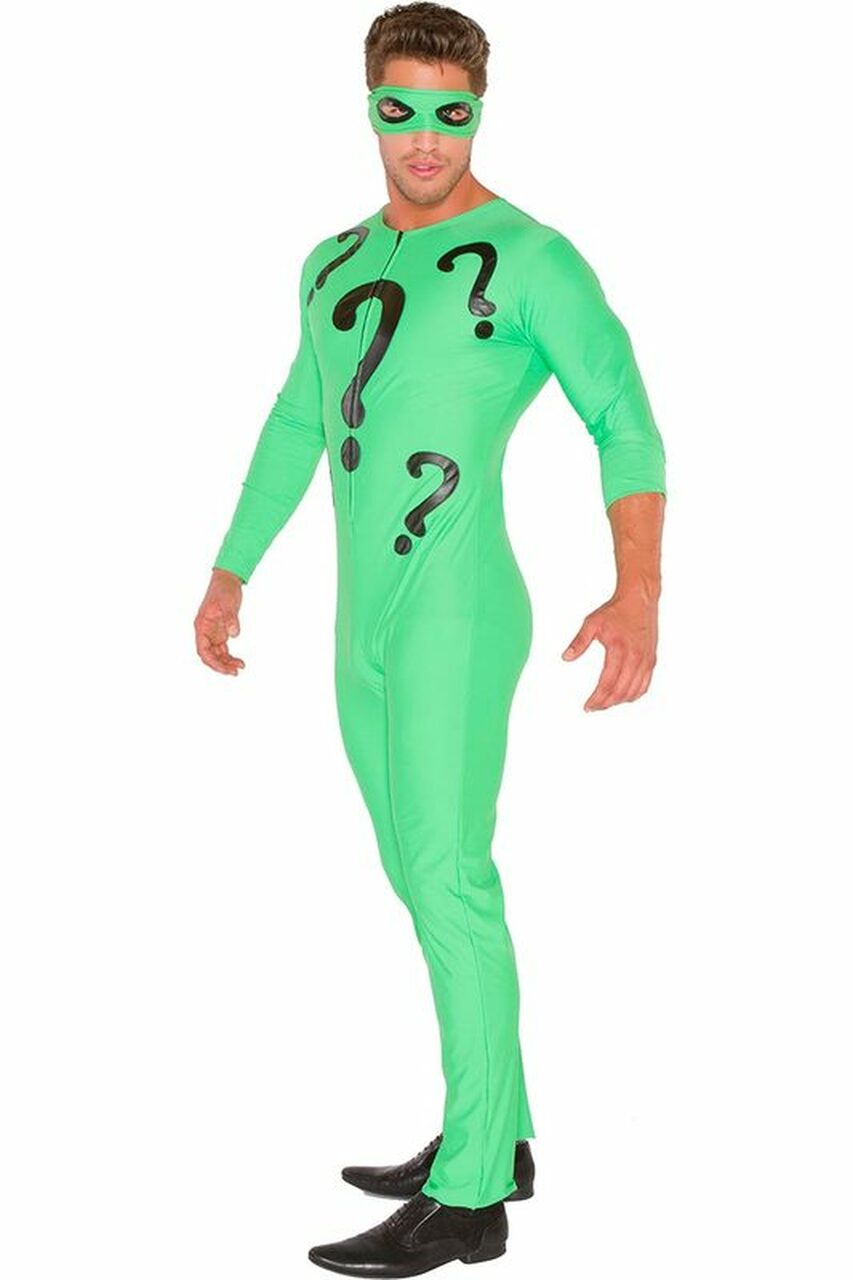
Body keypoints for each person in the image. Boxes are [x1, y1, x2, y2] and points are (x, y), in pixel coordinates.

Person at [194, 3, 667, 1273]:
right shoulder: (332, 262)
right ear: (368, 107)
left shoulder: (532, 258)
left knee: (448, 878)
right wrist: (231, 570)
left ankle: (470, 1197)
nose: (423, 138)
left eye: (449, 114)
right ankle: (493, 1124)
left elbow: (623, 420)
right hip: (360, 618)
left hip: (458, 605)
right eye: (398, 109)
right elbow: (299, 420)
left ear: (479, 112)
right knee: (418, 874)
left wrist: (636, 591)